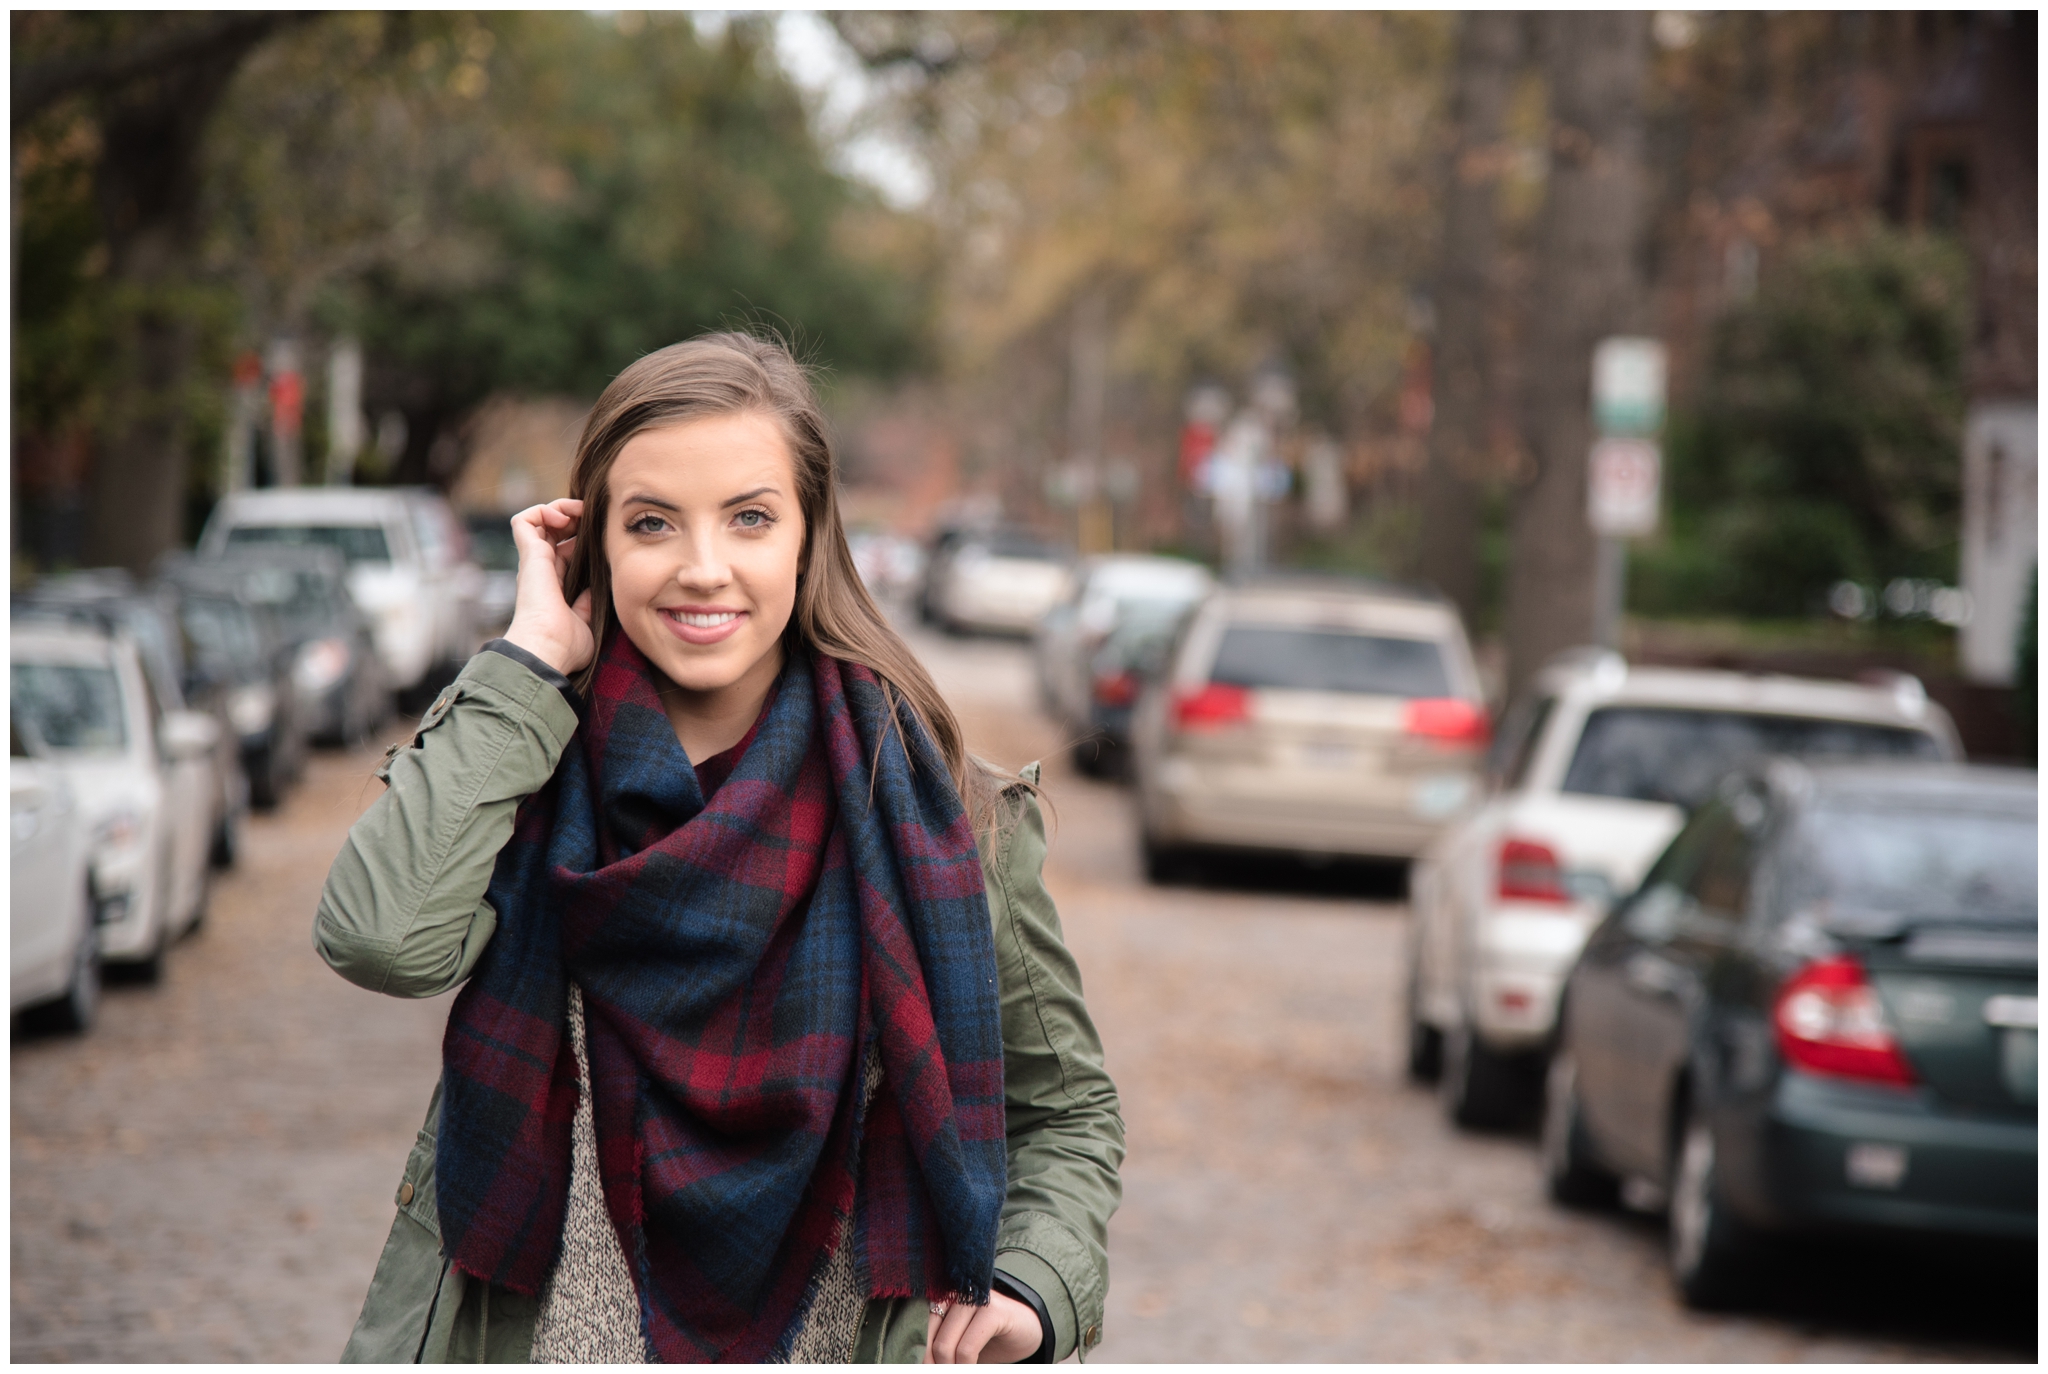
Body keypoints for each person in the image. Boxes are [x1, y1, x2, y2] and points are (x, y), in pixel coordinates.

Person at [316, 333, 1123, 1363]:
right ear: (594, 546)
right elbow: (381, 941)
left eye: (749, 517)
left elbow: (1063, 1110)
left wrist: (1032, 1283)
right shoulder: (518, 772)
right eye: (651, 523)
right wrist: (525, 663)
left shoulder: (946, 816)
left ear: (807, 537)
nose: (704, 569)